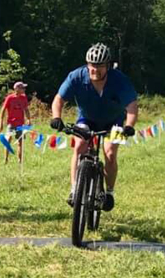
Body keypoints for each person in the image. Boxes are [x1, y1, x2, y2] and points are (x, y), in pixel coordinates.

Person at [50, 43, 137, 212]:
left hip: (115, 121)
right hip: (86, 119)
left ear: (108, 66)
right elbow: (58, 100)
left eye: (99, 66)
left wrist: (129, 126)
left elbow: (132, 106)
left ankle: (109, 192)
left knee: (110, 152)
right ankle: (75, 189)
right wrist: (56, 118)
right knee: (79, 147)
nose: (94, 69)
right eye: (91, 65)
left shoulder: (119, 80)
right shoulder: (76, 77)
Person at [0, 81, 31, 163]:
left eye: (24, 87)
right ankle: (5, 159)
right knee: (8, 139)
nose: (24, 89)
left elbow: (26, 109)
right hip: (11, 123)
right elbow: (3, 110)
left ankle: (20, 160)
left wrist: (29, 119)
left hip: (21, 124)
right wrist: (0, 123)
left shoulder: (24, 98)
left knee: (20, 142)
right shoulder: (10, 98)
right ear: (16, 89)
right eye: (22, 87)